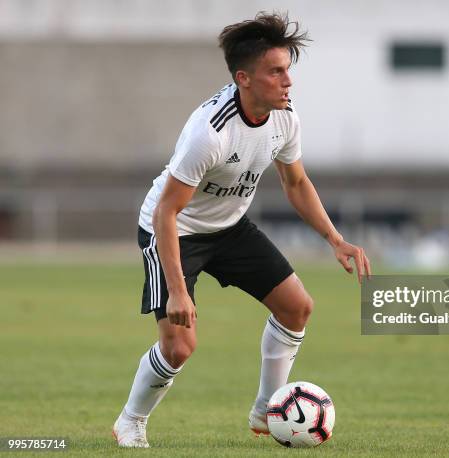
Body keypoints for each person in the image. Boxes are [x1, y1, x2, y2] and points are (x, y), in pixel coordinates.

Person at [113, 12, 371, 448]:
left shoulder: (285, 118)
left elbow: (296, 183)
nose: (287, 81)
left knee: (297, 308)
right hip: (174, 230)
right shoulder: (209, 133)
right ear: (244, 78)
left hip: (230, 226)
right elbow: (165, 214)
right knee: (179, 347)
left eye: (288, 69)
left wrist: (335, 239)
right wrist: (177, 289)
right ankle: (130, 421)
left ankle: (267, 409)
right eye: (276, 71)